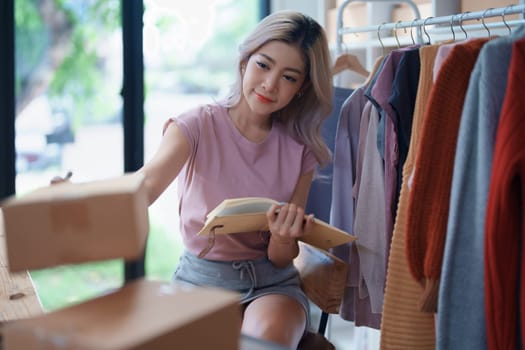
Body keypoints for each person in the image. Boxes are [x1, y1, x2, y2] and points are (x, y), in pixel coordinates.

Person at [55, 10, 333, 349]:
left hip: (272, 285)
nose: (270, 84)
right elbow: (144, 186)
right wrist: (80, 198)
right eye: (264, 65)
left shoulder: (300, 151)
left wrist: (282, 235)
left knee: (266, 342)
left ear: (302, 87)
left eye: (289, 77)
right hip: (201, 281)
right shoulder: (195, 125)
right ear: (245, 61)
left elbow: (280, 257)